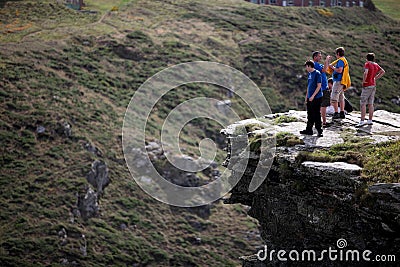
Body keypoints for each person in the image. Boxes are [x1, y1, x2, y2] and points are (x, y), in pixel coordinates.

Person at [356, 53, 385, 127]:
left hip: (367, 85)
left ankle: (362, 121)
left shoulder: (367, 64)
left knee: (363, 103)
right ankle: (370, 120)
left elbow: (366, 73)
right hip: (373, 85)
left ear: (367, 58)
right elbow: (382, 71)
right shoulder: (376, 64)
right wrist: (375, 78)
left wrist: (364, 81)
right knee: (370, 103)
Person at [324, 47, 351, 121]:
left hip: (338, 81)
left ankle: (336, 113)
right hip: (341, 81)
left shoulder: (341, 61)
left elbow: (339, 70)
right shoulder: (343, 60)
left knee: (333, 98)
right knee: (341, 97)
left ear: (338, 53)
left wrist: (332, 67)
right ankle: (342, 112)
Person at [300, 60, 323, 137]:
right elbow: (309, 86)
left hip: (316, 97)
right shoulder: (310, 74)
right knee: (309, 114)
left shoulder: (317, 73)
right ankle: (309, 130)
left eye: (306, 66)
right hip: (310, 98)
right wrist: (307, 96)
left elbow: (319, 86)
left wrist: (313, 96)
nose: (306, 68)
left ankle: (319, 130)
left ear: (309, 66)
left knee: (316, 114)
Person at [312, 51, 329, 127]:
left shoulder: (318, 64)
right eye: (319, 56)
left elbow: (326, 69)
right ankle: (323, 122)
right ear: (315, 57)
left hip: (323, 87)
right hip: (321, 88)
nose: (320, 57)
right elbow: (324, 70)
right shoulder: (315, 65)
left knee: (321, 105)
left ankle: (320, 121)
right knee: (323, 105)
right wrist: (326, 61)